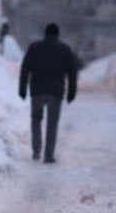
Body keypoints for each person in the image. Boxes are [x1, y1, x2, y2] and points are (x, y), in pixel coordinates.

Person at [19, 23, 78, 163]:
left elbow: (25, 69)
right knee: (52, 124)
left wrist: (22, 89)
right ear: (57, 35)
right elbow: (72, 73)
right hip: (55, 93)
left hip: (37, 91)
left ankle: (36, 149)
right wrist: (71, 92)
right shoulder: (65, 50)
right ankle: (49, 155)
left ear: (45, 34)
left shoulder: (34, 48)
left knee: (36, 119)